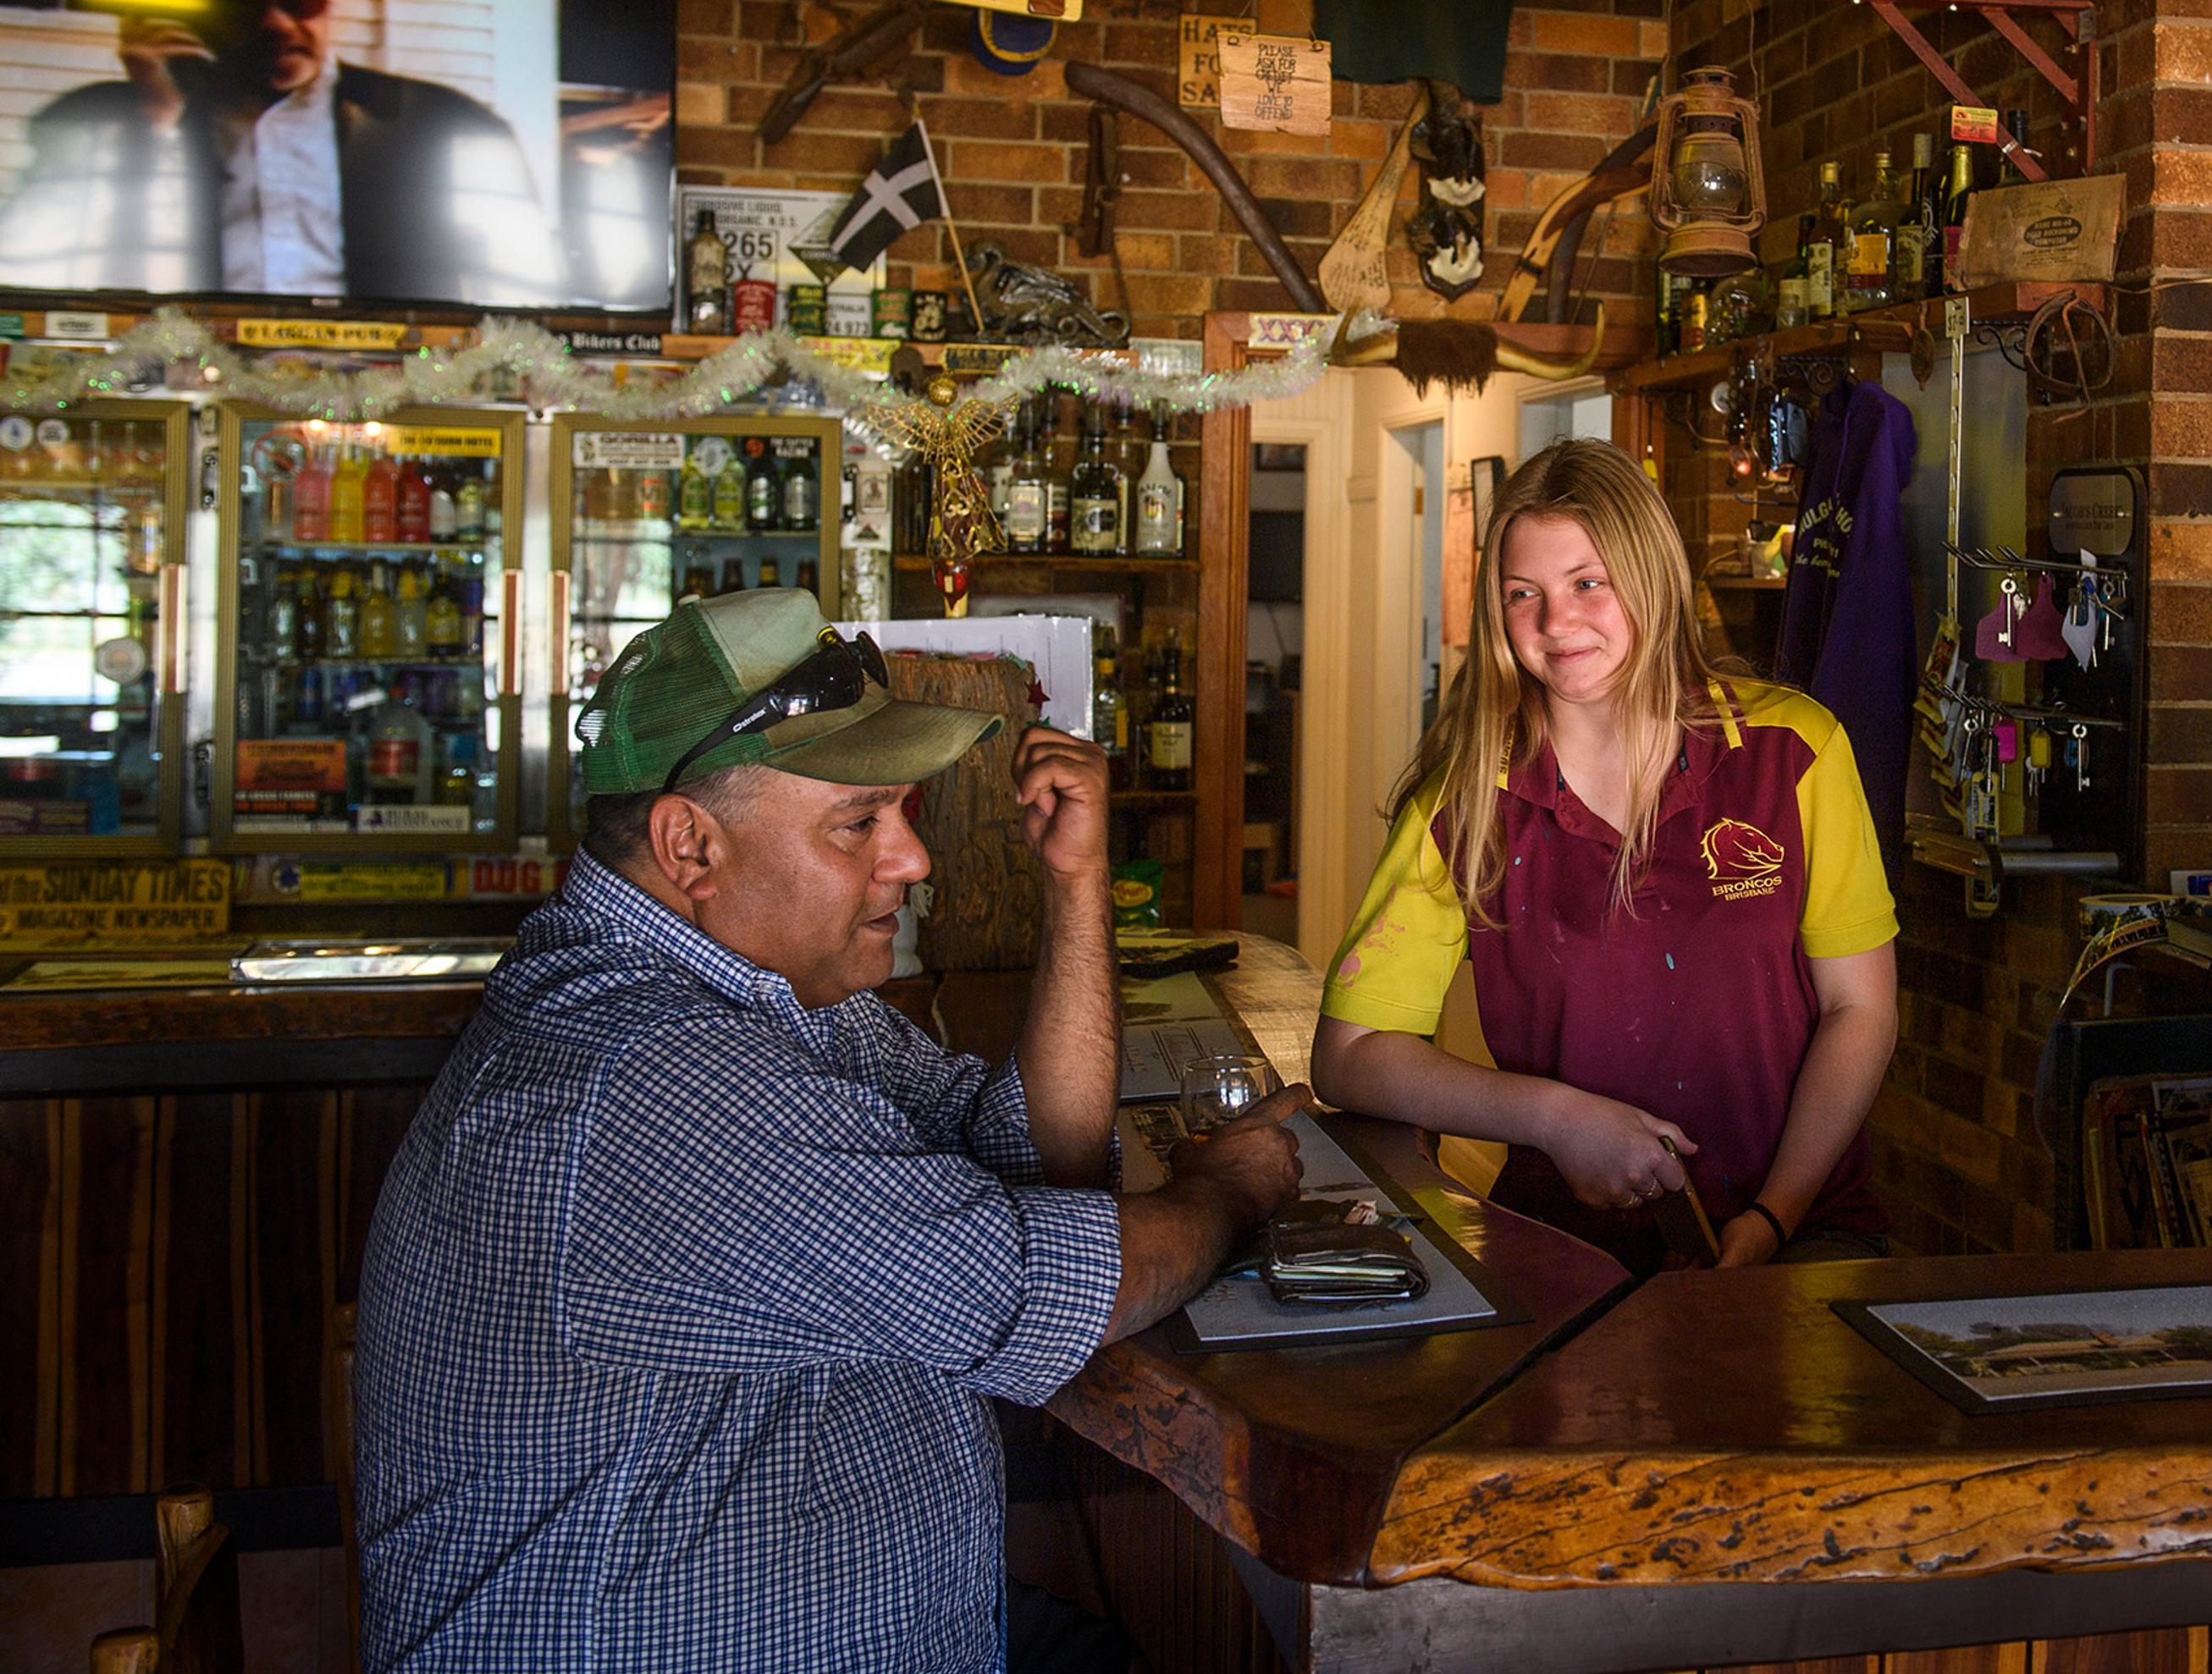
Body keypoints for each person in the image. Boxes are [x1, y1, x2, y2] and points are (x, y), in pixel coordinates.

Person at [354, 588, 1303, 1671]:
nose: (913, 860)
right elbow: (1054, 1290)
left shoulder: (767, 999)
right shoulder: (651, 1077)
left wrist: (1076, 885)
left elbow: (1043, 1159)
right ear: (689, 846)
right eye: (860, 823)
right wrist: (1233, 1189)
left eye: (900, 813)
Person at [1310, 439, 1900, 1273]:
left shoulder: (1793, 751)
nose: (1557, 622)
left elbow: (1861, 1011)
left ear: (1651, 574)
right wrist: (1557, 1120)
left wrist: (1774, 1216)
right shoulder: (1467, 800)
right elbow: (1350, 1052)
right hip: (1566, 1246)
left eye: (1588, 582)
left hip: (1805, 1233)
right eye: (1525, 594)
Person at [0, 0, 545, 302]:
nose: (280, 25)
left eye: (300, 4)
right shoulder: (93, 122)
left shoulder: (444, 125)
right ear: (171, 16)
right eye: (243, 8)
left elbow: (527, 291)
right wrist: (153, 123)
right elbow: (27, 273)